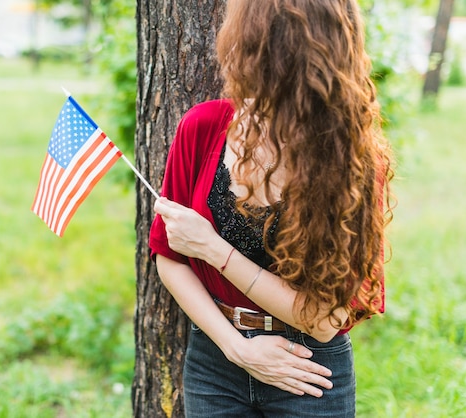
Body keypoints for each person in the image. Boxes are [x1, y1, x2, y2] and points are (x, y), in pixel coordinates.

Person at [149, 0, 394, 417]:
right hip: (214, 360)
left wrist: (213, 249)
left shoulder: (350, 160)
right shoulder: (204, 127)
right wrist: (237, 348)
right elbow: (168, 258)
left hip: (308, 368)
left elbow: (324, 319)